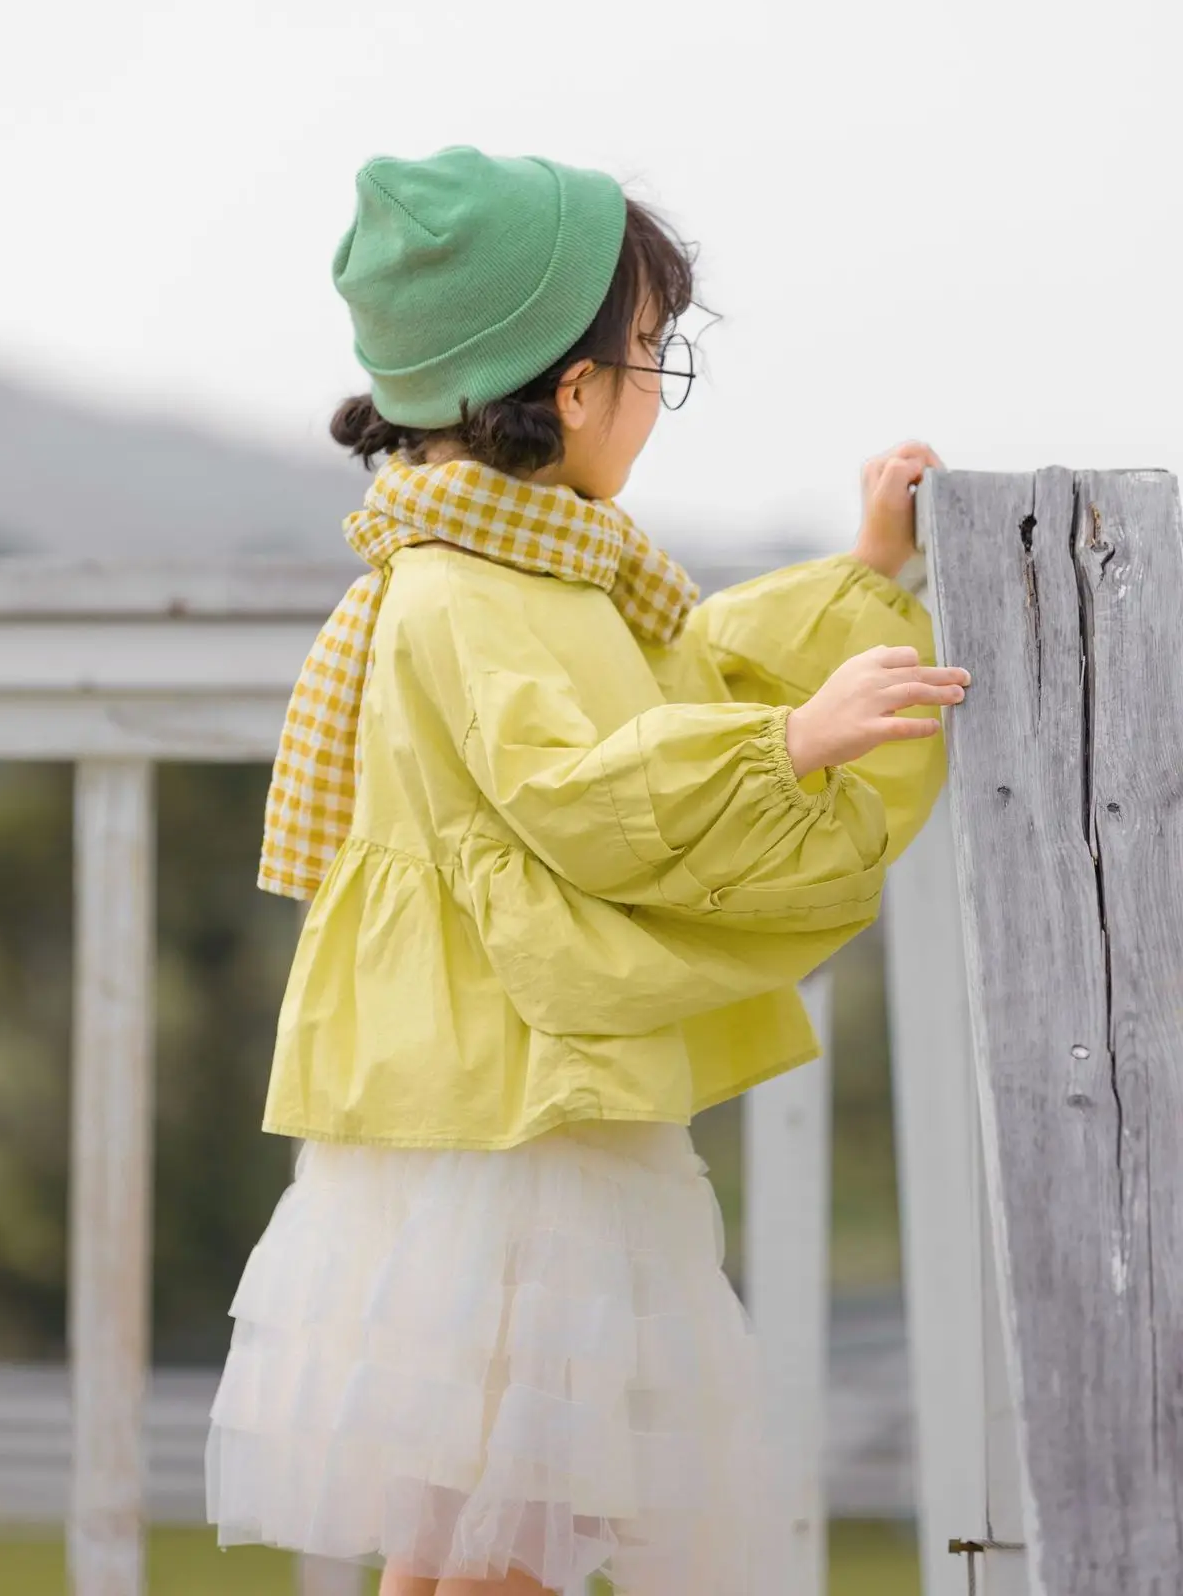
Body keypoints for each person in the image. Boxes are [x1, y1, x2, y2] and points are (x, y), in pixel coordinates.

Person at [205, 145, 970, 1596]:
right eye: (648, 358)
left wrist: (865, 571)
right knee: (526, 1524)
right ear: (568, 391)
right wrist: (789, 746)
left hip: (479, 1103)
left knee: (462, 1533)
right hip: (522, 1114)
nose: (649, 394)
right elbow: (582, 787)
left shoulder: (516, 561)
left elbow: (678, 672)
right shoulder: (466, 590)